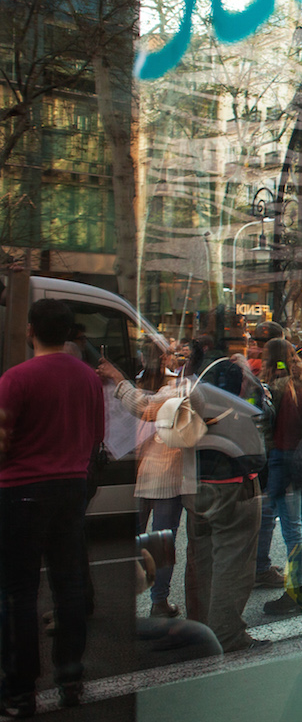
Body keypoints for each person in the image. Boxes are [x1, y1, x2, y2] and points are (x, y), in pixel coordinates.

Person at [0, 299, 104, 715]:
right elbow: (96, 436)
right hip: (71, 487)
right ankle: (71, 678)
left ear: (30, 331)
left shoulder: (15, 379)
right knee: (69, 585)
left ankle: (22, 689)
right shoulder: (88, 379)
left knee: (21, 593)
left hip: (20, 490)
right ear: (69, 334)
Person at [184, 309, 271, 654]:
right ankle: (227, 635)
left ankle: (198, 630)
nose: (249, 339)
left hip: (196, 476)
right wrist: (249, 376)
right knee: (233, 563)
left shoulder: (192, 372)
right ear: (232, 337)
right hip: (232, 477)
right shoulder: (233, 373)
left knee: (201, 559)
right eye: (244, 333)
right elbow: (262, 413)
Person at [99, 341, 192, 619]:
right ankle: (159, 603)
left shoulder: (150, 385)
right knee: (161, 545)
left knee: (132, 543)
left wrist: (117, 379)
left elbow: (143, 407)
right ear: (165, 357)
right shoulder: (171, 385)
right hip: (164, 474)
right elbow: (145, 406)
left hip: (142, 474)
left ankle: (123, 601)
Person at [260, 339, 302, 615]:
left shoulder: (272, 387)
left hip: (284, 459)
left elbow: (262, 425)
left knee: (292, 529)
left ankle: (294, 590)